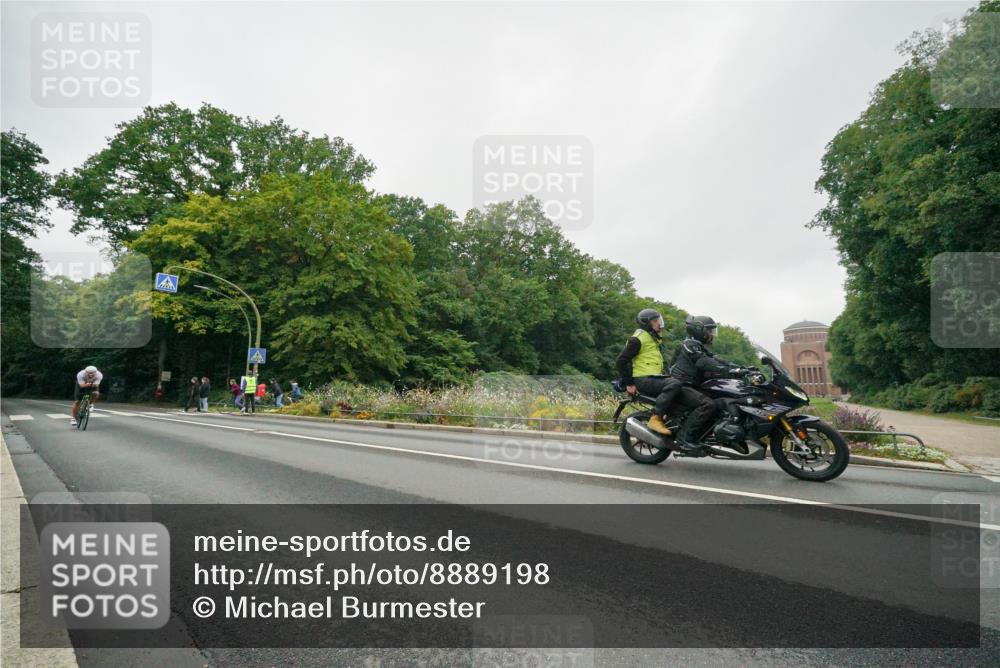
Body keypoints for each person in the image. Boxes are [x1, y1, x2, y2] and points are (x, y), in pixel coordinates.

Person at [668, 315, 747, 450]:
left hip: (693, 385)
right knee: (707, 404)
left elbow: (717, 360)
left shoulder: (699, 347)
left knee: (721, 399)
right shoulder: (689, 345)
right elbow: (704, 362)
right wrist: (732, 371)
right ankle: (685, 438)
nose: (712, 334)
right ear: (699, 330)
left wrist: (742, 368)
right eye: (710, 331)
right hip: (681, 385)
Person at [615, 308, 684, 439]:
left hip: (652, 378)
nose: (659, 323)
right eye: (655, 321)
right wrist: (629, 383)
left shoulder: (652, 339)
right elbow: (621, 362)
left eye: (659, 320)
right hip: (642, 379)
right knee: (674, 384)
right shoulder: (637, 339)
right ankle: (656, 418)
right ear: (647, 323)